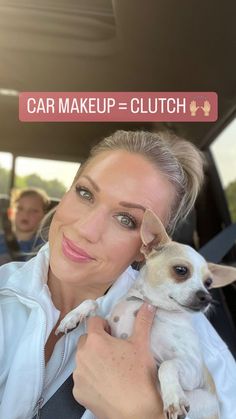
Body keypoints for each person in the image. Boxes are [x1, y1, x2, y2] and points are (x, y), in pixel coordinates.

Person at [0, 130, 235, 419]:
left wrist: (143, 413)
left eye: (126, 220)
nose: (86, 228)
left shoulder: (201, 348)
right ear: (66, 192)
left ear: (148, 245)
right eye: (85, 193)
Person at [0, 187, 50, 265]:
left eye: (34, 210)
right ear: (10, 212)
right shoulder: (1, 239)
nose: (26, 214)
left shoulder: (43, 248)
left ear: (44, 216)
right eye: (20, 208)